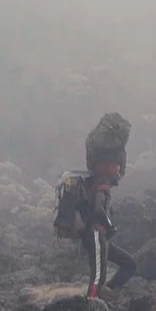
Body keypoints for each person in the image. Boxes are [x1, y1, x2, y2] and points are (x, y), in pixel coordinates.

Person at [55, 112, 139, 296]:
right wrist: (110, 226)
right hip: (96, 234)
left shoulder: (92, 179)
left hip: (93, 236)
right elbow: (98, 209)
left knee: (129, 264)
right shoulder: (103, 184)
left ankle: (105, 294)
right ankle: (91, 306)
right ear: (115, 165)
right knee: (98, 277)